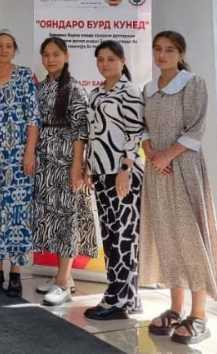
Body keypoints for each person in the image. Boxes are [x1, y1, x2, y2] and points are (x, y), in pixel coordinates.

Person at [141, 31, 217, 345]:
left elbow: (197, 127)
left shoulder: (193, 84)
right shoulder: (148, 89)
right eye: (157, 49)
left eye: (169, 50)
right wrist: (152, 155)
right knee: (167, 236)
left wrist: (166, 155)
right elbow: (145, 128)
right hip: (157, 171)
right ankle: (175, 309)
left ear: (180, 54)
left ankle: (199, 314)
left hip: (184, 168)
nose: (162, 55)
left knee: (190, 237)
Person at [33, 37, 99, 306]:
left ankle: (63, 282)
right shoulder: (42, 88)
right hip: (44, 162)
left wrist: (76, 167)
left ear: (66, 56)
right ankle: (64, 276)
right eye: (46, 54)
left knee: (67, 218)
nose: (51, 59)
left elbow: (80, 131)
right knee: (52, 218)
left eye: (56, 54)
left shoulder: (73, 89)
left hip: (65, 162)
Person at [83, 40, 145, 321]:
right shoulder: (95, 93)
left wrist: (125, 168)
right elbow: (93, 132)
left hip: (123, 173)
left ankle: (117, 298)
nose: (105, 63)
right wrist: (88, 165)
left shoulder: (129, 91)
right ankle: (127, 297)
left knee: (124, 237)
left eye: (110, 58)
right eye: (100, 59)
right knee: (110, 236)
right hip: (100, 172)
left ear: (122, 60)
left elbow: (135, 133)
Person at [0, 29, 39, 297]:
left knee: (16, 215)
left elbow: (33, 118)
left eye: (9, 46)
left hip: (16, 160)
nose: (4, 50)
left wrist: (29, 153)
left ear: (15, 50)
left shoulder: (24, 76)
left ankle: (15, 273)